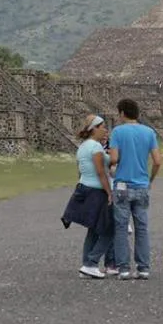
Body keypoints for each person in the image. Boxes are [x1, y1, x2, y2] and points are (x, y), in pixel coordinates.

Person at [109, 99, 161, 280]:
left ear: (122, 113)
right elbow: (157, 161)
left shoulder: (117, 131)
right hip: (141, 185)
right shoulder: (149, 132)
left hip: (122, 185)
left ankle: (123, 268)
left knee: (121, 228)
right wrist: (150, 179)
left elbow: (114, 159)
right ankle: (143, 268)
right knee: (142, 228)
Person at [72, 114, 114, 279]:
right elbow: (100, 172)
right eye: (102, 126)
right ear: (94, 129)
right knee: (110, 229)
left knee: (93, 230)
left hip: (85, 187)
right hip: (96, 191)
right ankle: (91, 262)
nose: (105, 130)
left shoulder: (83, 146)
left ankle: (86, 265)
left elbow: (81, 170)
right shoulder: (95, 148)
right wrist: (109, 193)